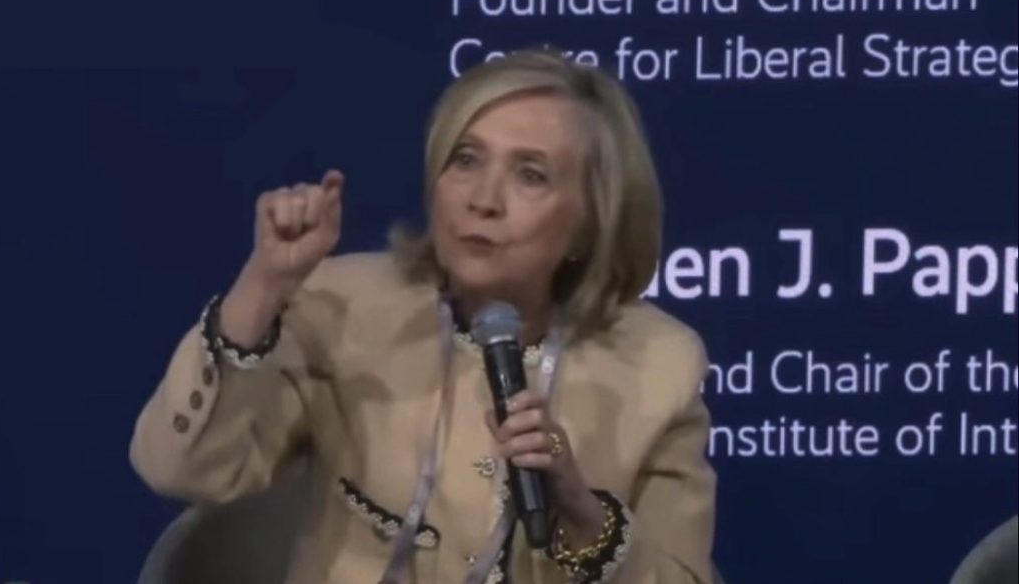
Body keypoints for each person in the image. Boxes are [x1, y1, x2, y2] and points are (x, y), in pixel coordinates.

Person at [130, 49, 716, 584]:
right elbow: (179, 470)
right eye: (466, 160)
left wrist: (586, 517)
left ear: (590, 222)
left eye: (530, 175)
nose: (482, 200)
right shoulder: (346, 307)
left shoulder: (660, 367)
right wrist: (263, 284)